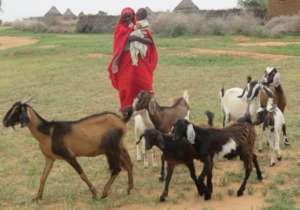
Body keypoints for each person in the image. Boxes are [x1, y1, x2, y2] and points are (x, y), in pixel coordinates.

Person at [108, 7, 158, 118]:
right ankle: (127, 110)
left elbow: (149, 41)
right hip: (125, 61)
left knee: (144, 83)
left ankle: (147, 106)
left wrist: (135, 37)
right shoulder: (119, 29)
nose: (127, 18)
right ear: (121, 17)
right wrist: (115, 62)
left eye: (129, 15)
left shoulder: (140, 26)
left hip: (139, 60)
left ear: (133, 15)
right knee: (126, 86)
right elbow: (118, 47)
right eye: (125, 16)